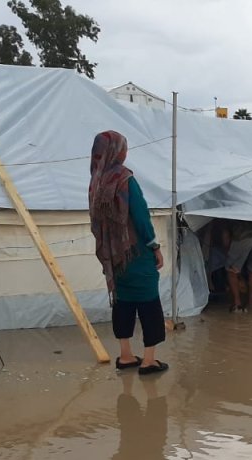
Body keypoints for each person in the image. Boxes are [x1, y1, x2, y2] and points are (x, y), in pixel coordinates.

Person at [88, 130, 168, 375]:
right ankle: (149, 360)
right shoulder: (124, 179)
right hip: (134, 252)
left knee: (122, 302)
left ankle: (125, 355)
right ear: (115, 152)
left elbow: (96, 222)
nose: (125, 152)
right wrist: (154, 246)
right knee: (149, 303)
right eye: (123, 148)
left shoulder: (96, 181)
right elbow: (141, 217)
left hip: (113, 255)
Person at [221, 220, 252, 313]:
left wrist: (228, 252)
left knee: (231, 270)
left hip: (243, 234)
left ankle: (237, 304)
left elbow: (226, 235)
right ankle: (250, 303)